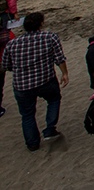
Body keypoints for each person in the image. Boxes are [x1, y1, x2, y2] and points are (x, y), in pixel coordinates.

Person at [1, 11, 69, 151]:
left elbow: (6, 65)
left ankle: (32, 144)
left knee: (27, 115)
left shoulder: (13, 44)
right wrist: (65, 73)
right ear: (41, 24)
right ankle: (50, 128)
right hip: (45, 79)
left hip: (22, 85)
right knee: (54, 100)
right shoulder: (49, 37)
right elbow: (59, 58)